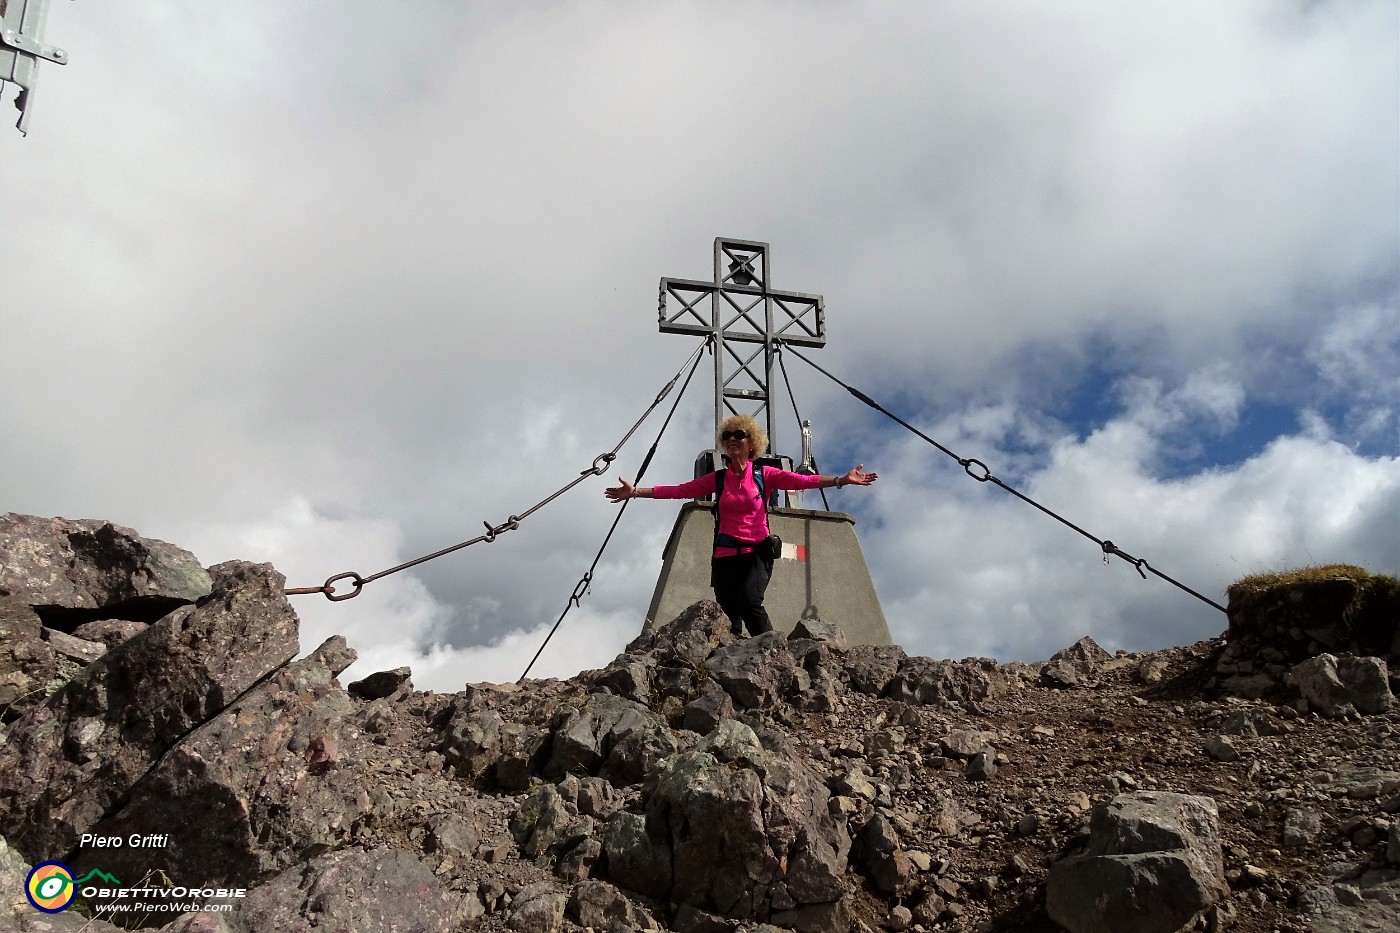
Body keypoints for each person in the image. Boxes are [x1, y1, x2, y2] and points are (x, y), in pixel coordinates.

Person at [606, 413, 878, 637]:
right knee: (729, 615)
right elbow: (681, 490)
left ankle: (772, 651)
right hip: (724, 556)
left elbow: (802, 481)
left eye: (739, 435)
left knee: (750, 603)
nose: (732, 440)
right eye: (727, 436)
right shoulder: (719, 478)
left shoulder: (764, 474)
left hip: (756, 554)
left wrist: (842, 479)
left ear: (752, 443)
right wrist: (636, 492)